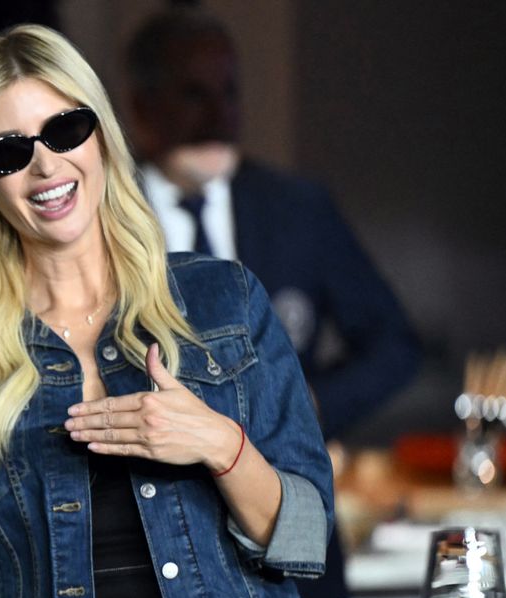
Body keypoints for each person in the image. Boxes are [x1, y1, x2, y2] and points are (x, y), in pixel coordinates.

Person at [0, 25, 335, 598]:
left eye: (64, 129)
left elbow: (308, 539)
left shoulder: (222, 298)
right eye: (8, 151)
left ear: (103, 136)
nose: (46, 165)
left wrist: (221, 446)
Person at [125, 7, 421, 443]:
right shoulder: (106, 210)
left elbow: (393, 345)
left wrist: (310, 407)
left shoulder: (296, 209)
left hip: (277, 478)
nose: (218, 115)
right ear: (142, 107)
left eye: (229, 92)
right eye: (193, 95)